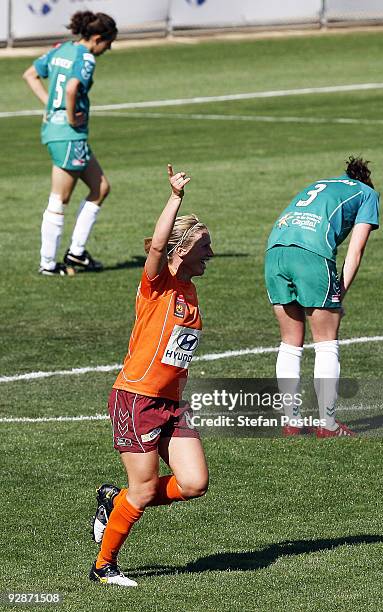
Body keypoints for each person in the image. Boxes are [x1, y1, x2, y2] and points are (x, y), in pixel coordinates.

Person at [89, 165, 214, 587]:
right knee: (141, 492)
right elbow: (158, 245)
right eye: (205, 248)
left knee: (194, 482)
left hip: (170, 404)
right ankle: (104, 566)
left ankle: (115, 500)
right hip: (137, 399)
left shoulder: (190, 291)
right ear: (182, 250)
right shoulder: (157, 283)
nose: (210, 256)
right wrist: (175, 198)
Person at [265, 157, 380, 437]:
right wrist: (339, 292)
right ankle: (328, 425)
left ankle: (292, 421)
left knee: (290, 343)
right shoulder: (367, 194)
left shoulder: (321, 184)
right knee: (326, 342)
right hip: (311, 255)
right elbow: (357, 250)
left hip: (275, 252)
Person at [22, 11, 117, 275]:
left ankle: (76, 254)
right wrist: (69, 115)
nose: (109, 48)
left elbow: (30, 74)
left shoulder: (60, 49)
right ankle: (48, 264)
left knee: (101, 188)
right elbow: (72, 88)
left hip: (58, 131)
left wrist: (50, 106)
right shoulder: (85, 58)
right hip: (68, 135)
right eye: (108, 42)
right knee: (59, 199)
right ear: (97, 38)